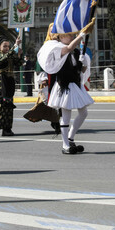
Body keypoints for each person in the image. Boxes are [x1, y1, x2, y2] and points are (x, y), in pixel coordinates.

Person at [37, 20, 94, 154]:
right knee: (66, 115)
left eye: (72, 35)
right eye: (69, 35)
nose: (72, 36)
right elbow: (67, 49)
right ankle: (65, 145)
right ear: (61, 37)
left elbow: (81, 71)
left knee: (83, 113)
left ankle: (70, 138)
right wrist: (82, 35)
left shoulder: (75, 51)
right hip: (64, 86)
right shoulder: (57, 48)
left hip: (74, 85)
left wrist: (83, 63)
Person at [0, 36, 23, 136]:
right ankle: (3, 128)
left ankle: (8, 128)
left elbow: (19, 63)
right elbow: (2, 60)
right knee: (2, 106)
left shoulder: (10, 54)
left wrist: (19, 55)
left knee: (9, 107)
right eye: (5, 46)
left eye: (8, 46)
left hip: (10, 81)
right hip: (2, 83)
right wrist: (15, 46)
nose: (7, 48)